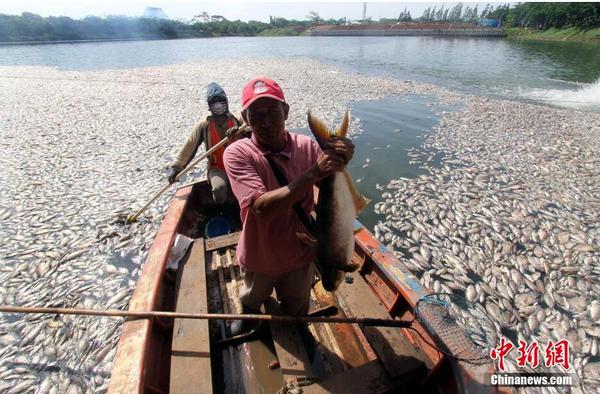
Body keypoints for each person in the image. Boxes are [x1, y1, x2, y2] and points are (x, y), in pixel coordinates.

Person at [223, 77, 354, 334]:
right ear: (245, 118)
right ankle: (249, 315)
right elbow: (261, 209)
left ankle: (296, 326)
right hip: (260, 253)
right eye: (256, 114)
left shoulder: (307, 146)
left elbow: (332, 186)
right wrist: (312, 174)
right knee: (251, 297)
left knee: (296, 308)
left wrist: (342, 156)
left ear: (286, 111)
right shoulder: (238, 153)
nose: (266, 122)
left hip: (299, 255)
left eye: (272, 112)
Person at [168, 83, 242, 205]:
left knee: (245, 188)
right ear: (209, 105)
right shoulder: (205, 124)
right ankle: (222, 211)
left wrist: (238, 131)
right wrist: (176, 168)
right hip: (217, 167)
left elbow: (251, 129)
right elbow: (190, 145)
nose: (218, 105)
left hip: (238, 166)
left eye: (220, 101)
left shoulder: (236, 120)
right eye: (214, 102)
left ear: (226, 102)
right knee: (219, 189)